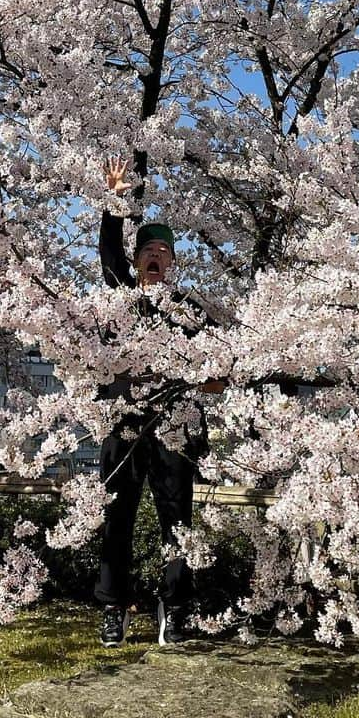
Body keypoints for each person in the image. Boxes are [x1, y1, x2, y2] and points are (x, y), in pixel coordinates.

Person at [94, 155, 224, 648]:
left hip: (175, 425)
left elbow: (219, 371)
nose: (152, 256)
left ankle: (176, 607)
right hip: (123, 420)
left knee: (177, 519)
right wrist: (115, 203)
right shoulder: (122, 297)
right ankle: (114, 609)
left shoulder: (191, 311)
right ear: (136, 261)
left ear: (172, 263)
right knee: (116, 515)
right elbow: (108, 253)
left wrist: (211, 378)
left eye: (160, 251)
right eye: (145, 249)